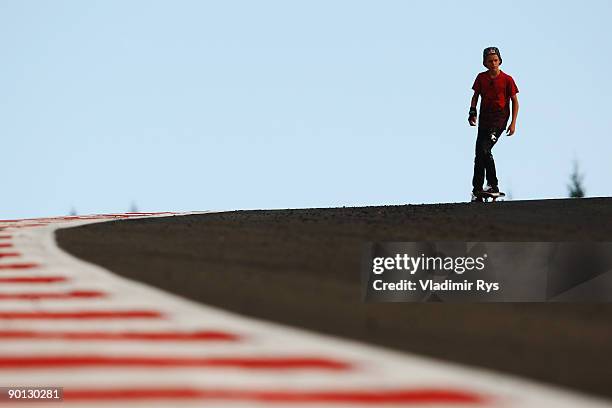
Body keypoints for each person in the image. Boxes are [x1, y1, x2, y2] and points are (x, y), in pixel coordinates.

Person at [468, 46, 519, 202]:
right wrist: (472, 112)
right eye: (490, 61)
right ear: (485, 63)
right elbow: (475, 96)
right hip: (484, 120)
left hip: (499, 120)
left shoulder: (507, 79)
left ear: (500, 61)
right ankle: (477, 190)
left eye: (496, 60)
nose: (493, 63)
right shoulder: (481, 78)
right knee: (479, 155)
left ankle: (492, 185)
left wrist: (513, 123)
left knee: (485, 149)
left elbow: (515, 102)